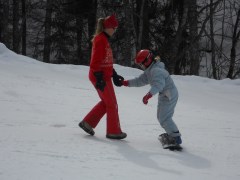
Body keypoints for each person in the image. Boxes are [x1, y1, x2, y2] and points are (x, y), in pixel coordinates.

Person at [121, 49, 182, 148]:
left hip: (169, 94)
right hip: (165, 94)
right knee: (161, 117)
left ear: (147, 61)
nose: (141, 66)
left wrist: (148, 95)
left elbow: (159, 85)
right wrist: (126, 83)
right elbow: (140, 81)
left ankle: (176, 138)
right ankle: (171, 134)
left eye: (141, 64)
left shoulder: (156, 71)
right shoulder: (150, 70)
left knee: (165, 118)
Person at [79, 14, 127, 140]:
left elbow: (106, 61)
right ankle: (113, 132)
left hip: (103, 76)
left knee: (108, 103)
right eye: (114, 28)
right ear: (108, 27)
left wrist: (114, 75)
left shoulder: (104, 40)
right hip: (99, 76)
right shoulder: (100, 40)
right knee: (112, 104)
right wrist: (99, 78)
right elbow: (95, 62)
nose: (115, 30)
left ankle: (87, 123)